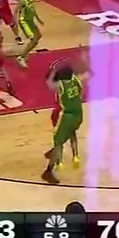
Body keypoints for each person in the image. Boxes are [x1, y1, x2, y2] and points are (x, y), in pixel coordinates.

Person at [42, 55, 90, 184]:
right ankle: (56, 152)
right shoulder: (77, 79)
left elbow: (48, 83)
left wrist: (51, 73)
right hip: (78, 114)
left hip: (66, 115)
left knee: (58, 141)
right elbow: (88, 73)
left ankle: (48, 170)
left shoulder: (60, 85)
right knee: (70, 133)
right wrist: (84, 59)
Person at [15, 0, 44, 68]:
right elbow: (16, 10)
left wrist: (38, 19)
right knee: (34, 40)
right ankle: (21, 57)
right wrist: (15, 21)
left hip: (30, 21)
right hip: (24, 22)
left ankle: (25, 53)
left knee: (39, 36)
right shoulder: (22, 0)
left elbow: (33, 9)